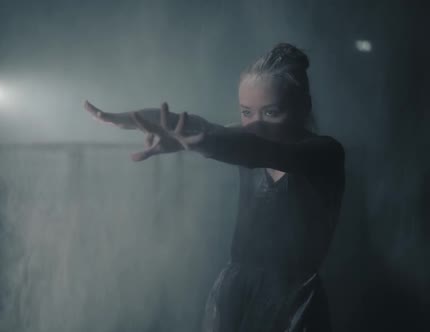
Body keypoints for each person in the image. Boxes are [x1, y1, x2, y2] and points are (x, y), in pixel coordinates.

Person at [84, 43, 345, 332]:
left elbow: (253, 148)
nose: (254, 126)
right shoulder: (240, 141)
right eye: (246, 112)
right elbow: (202, 126)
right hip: (234, 294)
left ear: (303, 106)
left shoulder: (324, 152)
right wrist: (133, 119)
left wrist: (205, 144)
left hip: (294, 303)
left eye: (271, 113)